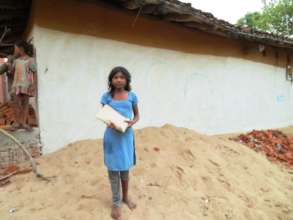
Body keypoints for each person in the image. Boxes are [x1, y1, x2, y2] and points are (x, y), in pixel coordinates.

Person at [100, 66, 140, 219]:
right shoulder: (106, 97)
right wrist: (109, 123)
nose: (119, 80)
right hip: (111, 137)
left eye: (122, 77)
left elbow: (137, 116)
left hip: (126, 137)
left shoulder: (132, 96)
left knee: (124, 169)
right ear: (111, 80)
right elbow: (104, 115)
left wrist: (131, 123)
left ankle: (125, 197)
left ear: (127, 80)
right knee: (113, 171)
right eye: (115, 77)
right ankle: (116, 203)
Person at [9, 40, 37, 131]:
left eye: (15, 49)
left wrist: (33, 84)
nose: (14, 51)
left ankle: (23, 123)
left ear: (21, 49)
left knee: (25, 104)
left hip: (26, 85)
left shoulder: (30, 60)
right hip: (16, 84)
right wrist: (10, 63)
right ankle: (17, 123)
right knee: (16, 103)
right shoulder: (16, 61)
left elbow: (34, 72)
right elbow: (12, 72)